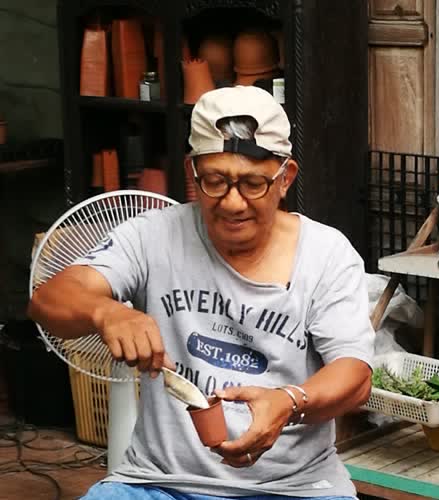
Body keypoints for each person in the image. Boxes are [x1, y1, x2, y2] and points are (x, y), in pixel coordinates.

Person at [28, 86, 375, 500]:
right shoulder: (153, 235)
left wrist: (290, 402)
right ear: (192, 171)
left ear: (285, 178)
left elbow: (355, 375)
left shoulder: (325, 254)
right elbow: (47, 300)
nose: (232, 203)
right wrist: (105, 312)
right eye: (215, 181)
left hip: (295, 488)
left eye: (253, 184)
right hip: (159, 483)